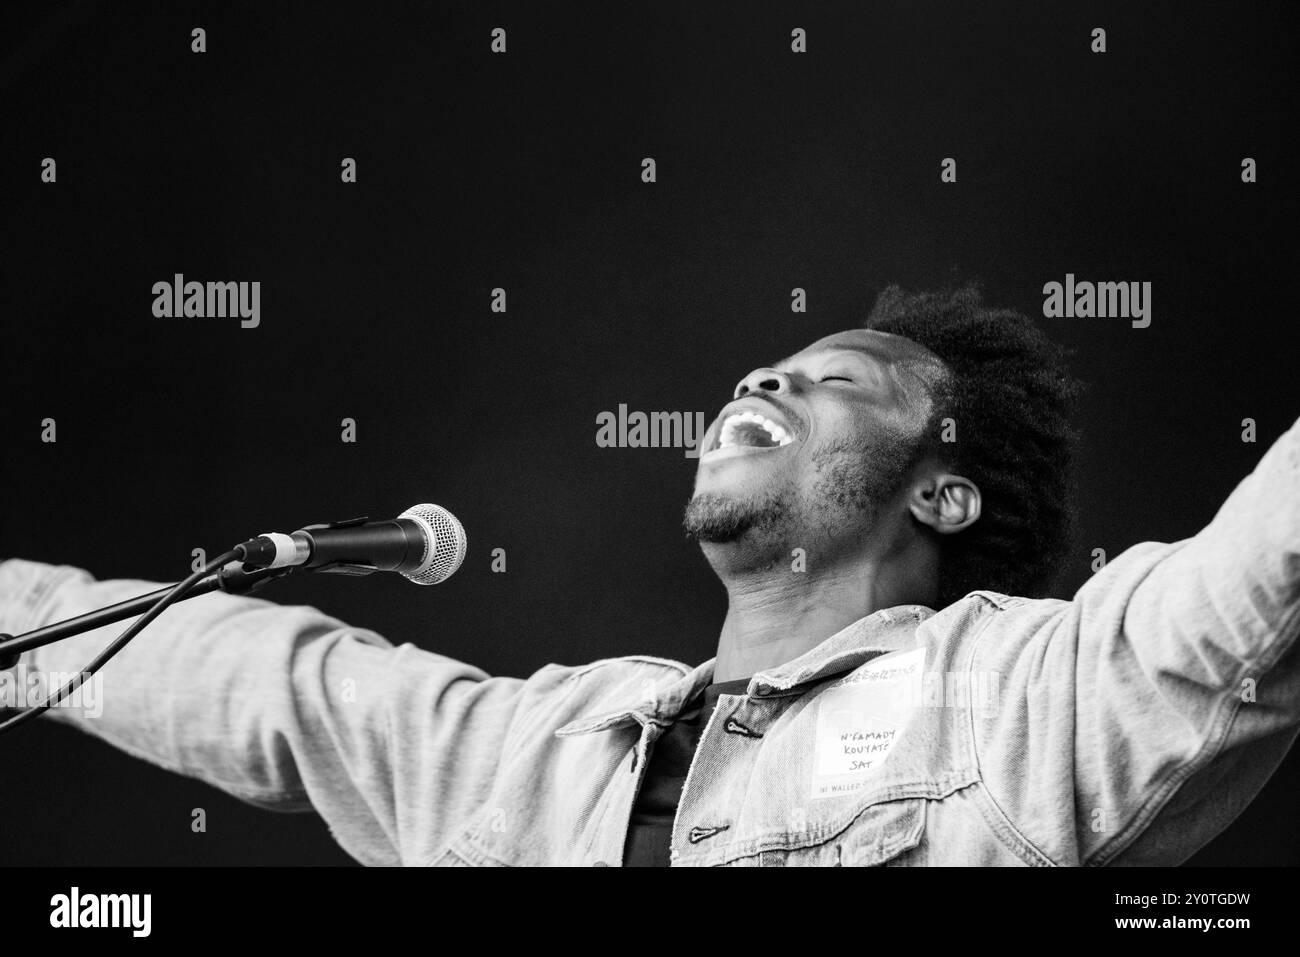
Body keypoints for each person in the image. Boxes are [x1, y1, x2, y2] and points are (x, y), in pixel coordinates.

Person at [2, 284, 1297, 866]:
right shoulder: (538, 735)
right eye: (763, 370)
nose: (762, 378)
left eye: (837, 377)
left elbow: (1245, 578)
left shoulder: (1025, 684)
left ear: (942, 488)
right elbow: (263, 676)